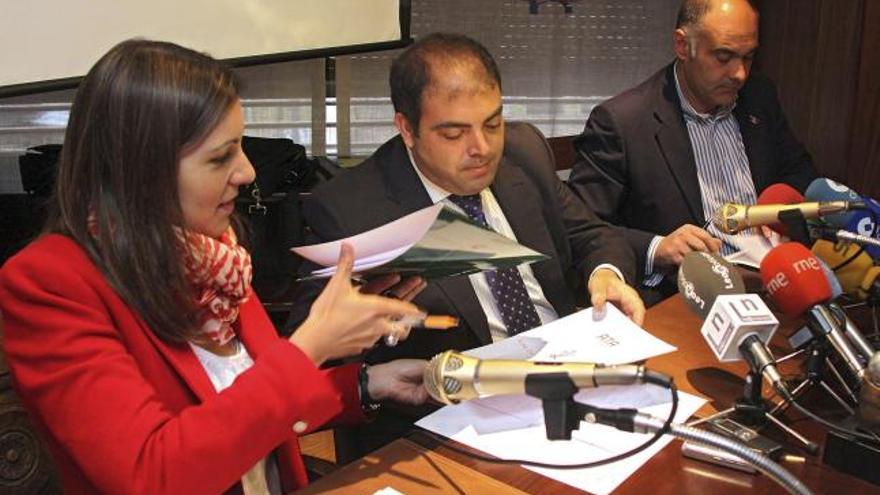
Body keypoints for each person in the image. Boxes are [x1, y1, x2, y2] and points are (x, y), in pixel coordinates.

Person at [0, 39, 430, 494]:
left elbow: (244, 402)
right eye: (220, 157)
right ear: (143, 169)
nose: (246, 171)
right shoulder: (50, 284)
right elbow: (152, 475)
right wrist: (309, 347)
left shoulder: (213, 258)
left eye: (241, 147)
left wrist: (368, 384)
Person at [293, 32, 645, 459]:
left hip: (569, 384)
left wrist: (605, 275)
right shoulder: (350, 210)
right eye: (453, 133)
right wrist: (360, 325)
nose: (482, 149)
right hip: (452, 431)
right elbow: (310, 361)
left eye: (492, 123)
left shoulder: (524, 152)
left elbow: (592, 235)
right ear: (406, 128)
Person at [567, 0, 816, 305]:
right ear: (683, 46)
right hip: (689, 295)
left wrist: (780, 210)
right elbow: (583, 228)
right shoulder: (623, 122)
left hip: (776, 281)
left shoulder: (759, 96)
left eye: (748, 57)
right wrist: (659, 247)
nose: (739, 74)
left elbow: (801, 172)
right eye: (723, 57)